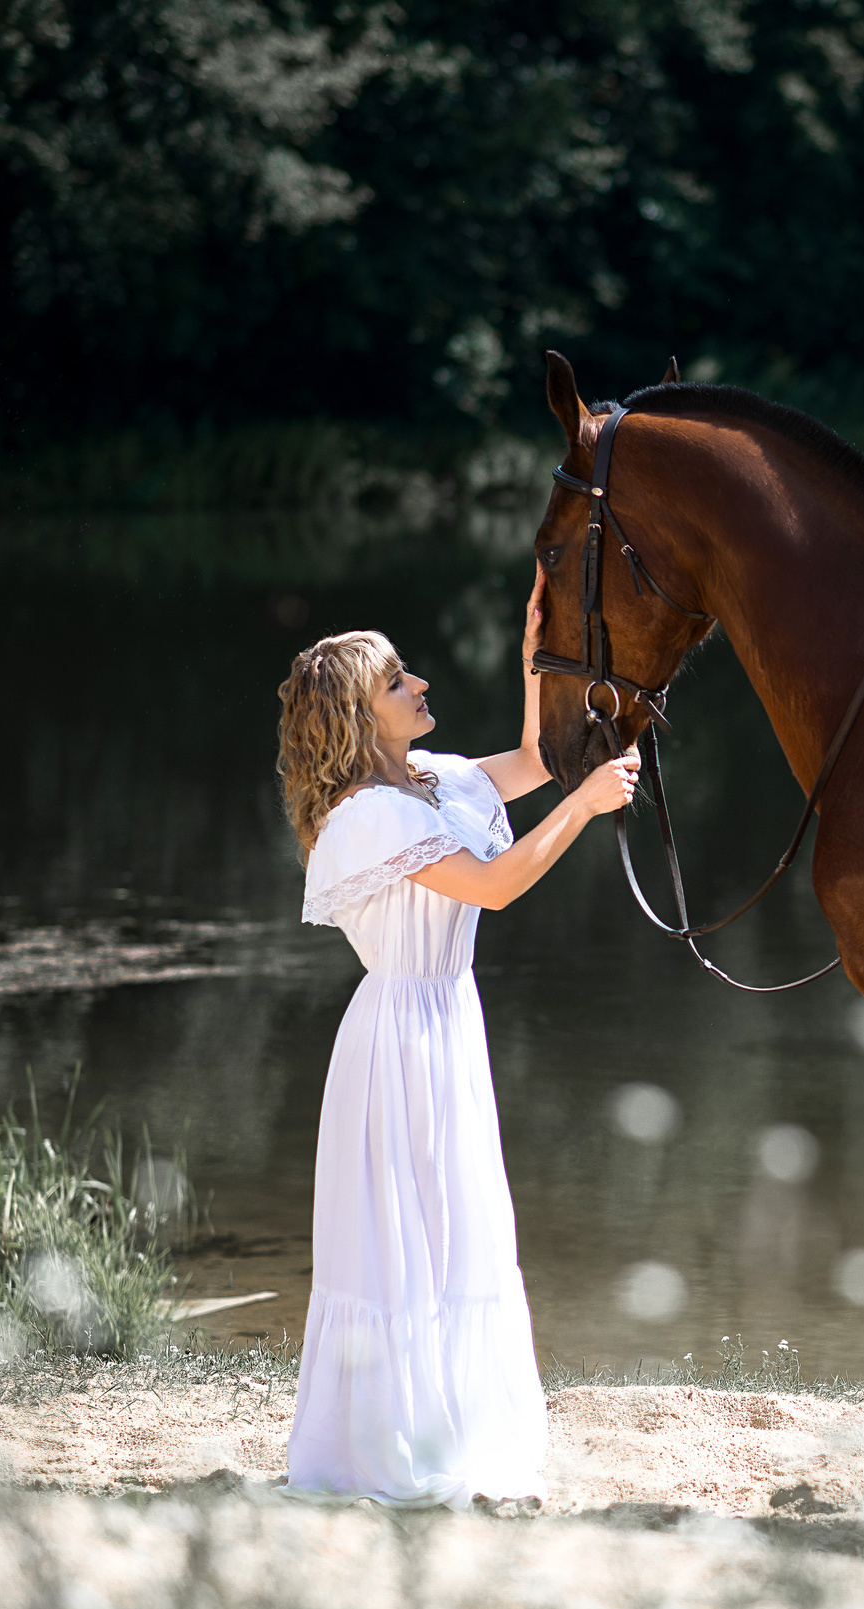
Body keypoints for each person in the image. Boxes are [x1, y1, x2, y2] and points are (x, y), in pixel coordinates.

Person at [272, 571, 638, 1507]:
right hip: (397, 1037)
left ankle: (464, 1428)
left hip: (448, 1021)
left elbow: (529, 760)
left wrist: (531, 658)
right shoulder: (366, 817)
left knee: (459, 1231)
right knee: (400, 1241)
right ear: (361, 715)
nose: (420, 685)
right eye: (398, 681)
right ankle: (386, 1447)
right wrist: (589, 806)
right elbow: (500, 881)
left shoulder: (429, 780)